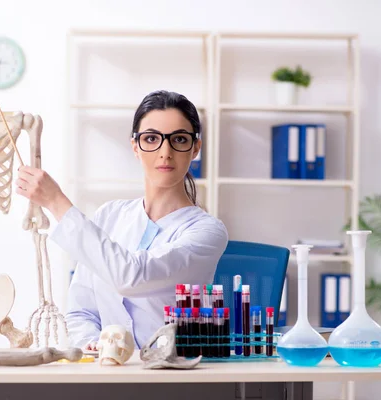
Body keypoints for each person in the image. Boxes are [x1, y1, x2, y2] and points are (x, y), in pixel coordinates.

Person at [15, 89, 229, 351]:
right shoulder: (109, 216)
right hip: (108, 372)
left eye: (179, 139)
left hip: (170, 377)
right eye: (151, 138)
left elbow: (130, 276)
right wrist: (92, 344)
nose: (165, 152)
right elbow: (80, 313)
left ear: (195, 148)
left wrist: (56, 202)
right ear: (135, 147)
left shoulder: (208, 232)